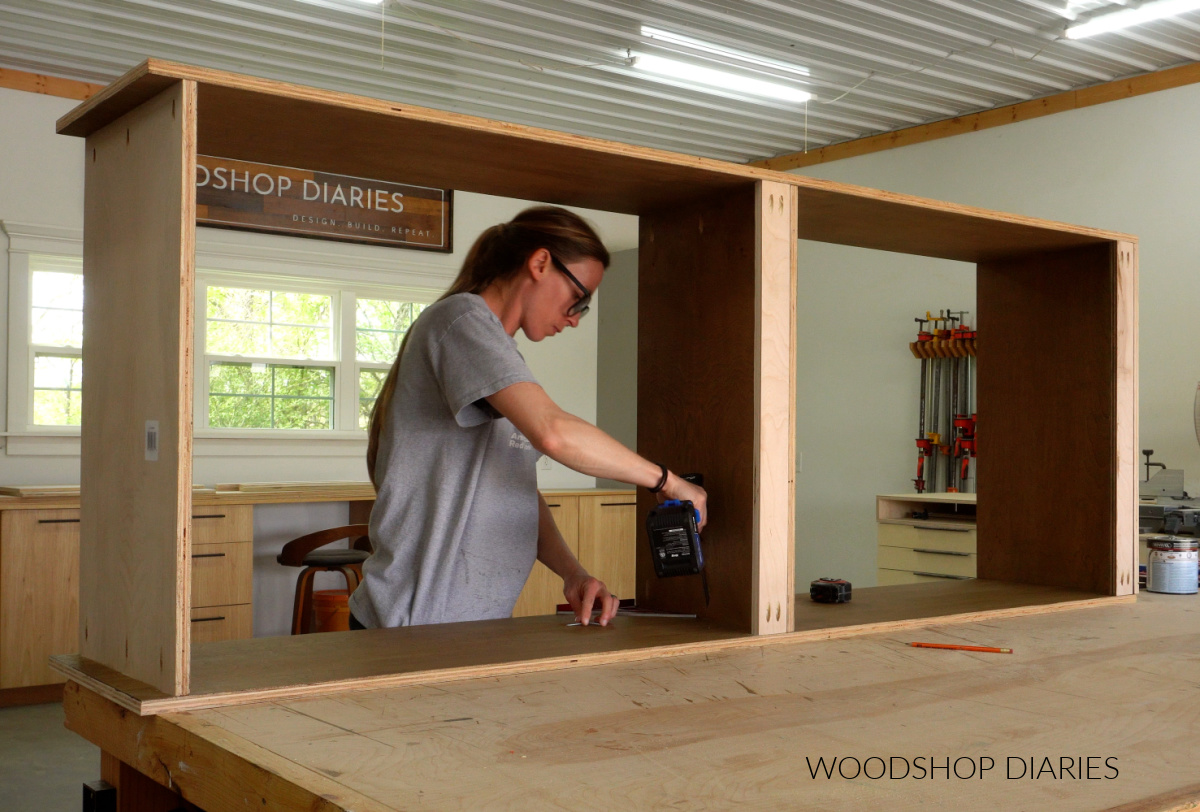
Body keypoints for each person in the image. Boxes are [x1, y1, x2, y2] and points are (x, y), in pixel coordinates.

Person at [348, 206, 707, 631]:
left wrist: (573, 573)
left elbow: (516, 491)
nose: (575, 319)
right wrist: (667, 480)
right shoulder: (462, 320)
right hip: (415, 626)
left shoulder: (497, 356)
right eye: (579, 299)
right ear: (539, 263)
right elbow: (554, 434)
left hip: (467, 626)